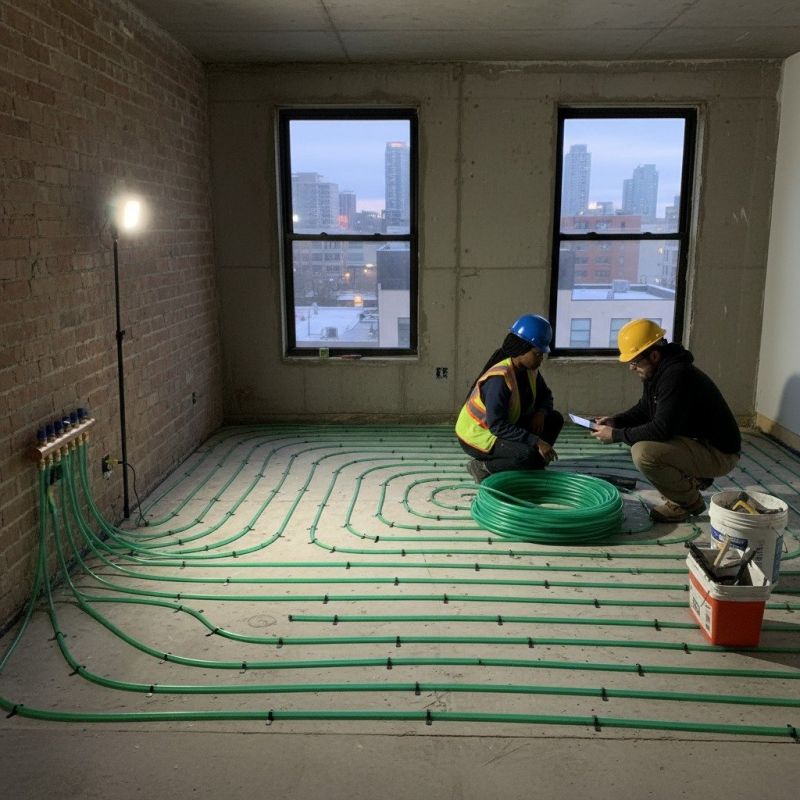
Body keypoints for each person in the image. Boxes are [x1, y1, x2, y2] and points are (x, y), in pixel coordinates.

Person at [590, 318, 741, 523]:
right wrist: (616, 422)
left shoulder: (676, 375)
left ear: (653, 355)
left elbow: (661, 429)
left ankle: (688, 502)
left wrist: (616, 435)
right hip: (698, 443)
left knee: (643, 452)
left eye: (634, 361)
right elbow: (645, 409)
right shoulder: (658, 371)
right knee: (643, 440)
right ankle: (692, 479)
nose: (632, 368)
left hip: (719, 453)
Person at [456, 314, 563, 483]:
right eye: (537, 354)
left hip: (505, 425)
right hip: (479, 434)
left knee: (555, 419)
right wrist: (535, 441)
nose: (541, 359)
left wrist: (541, 413)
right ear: (522, 349)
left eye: (542, 354)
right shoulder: (499, 379)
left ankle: (533, 463)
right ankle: (481, 467)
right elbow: (497, 426)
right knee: (525, 454)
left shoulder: (530, 370)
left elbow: (546, 396)